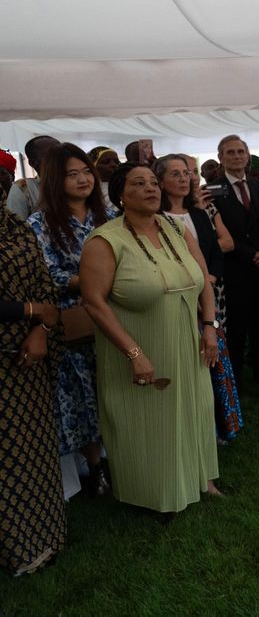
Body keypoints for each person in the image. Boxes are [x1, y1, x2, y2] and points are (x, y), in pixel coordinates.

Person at [79, 163, 221, 515]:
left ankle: (199, 479)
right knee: (149, 424)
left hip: (187, 341)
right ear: (121, 194)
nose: (151, 188)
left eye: (154, 182)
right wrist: (134, 353)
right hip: (139, 346)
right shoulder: (105, 240)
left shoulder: (175, 227)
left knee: (193, 409)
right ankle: (155, 496)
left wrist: (209, 326)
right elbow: (93, 302)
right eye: (139, 183)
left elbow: (203, 276)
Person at [27, 143, 115, 496]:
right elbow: (45, 277)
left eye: (85, 172)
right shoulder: (40, 223)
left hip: (116, 317)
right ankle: (96, 470)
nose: (82, 180)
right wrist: (90, 279)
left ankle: (125, 460)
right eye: (71, 174)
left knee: (116, 393)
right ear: (53, 180)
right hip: (76, 325)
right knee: (82, 401)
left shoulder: (108, 214)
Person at [155, 154, 243, 443]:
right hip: (177, 298)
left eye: (187, 173)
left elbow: (218, 253)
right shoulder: (156, 219)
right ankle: (193, 426)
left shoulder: (198, 214)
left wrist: (210, 279)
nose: (185, 179)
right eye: (176, 174)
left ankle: (219, 425)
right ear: (161, 182)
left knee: (214, 357)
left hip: (210, 294)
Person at [0, 207, 66, 575]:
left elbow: (44, 285)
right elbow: (36, 301)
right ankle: (14, 549)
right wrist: (29, 310)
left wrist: (40, 326)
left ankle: (45, 536)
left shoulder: (18, 227)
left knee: (34, 449)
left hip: (28, 363)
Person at [214, 134, 259, 385]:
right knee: (237, 327)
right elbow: (216, 232)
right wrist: (252, 255)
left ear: (248, 156)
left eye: (240, 151)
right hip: (235, 268)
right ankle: (235, 378)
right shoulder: (214, 190)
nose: (236, 156)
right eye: (230, 152)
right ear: (221, 158)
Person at [6, 135, 59, 219]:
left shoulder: (77, 182)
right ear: (33, 163)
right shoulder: (23, 188)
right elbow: (16, 228)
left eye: (61, 152)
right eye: (50, 155)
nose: (59, 158)